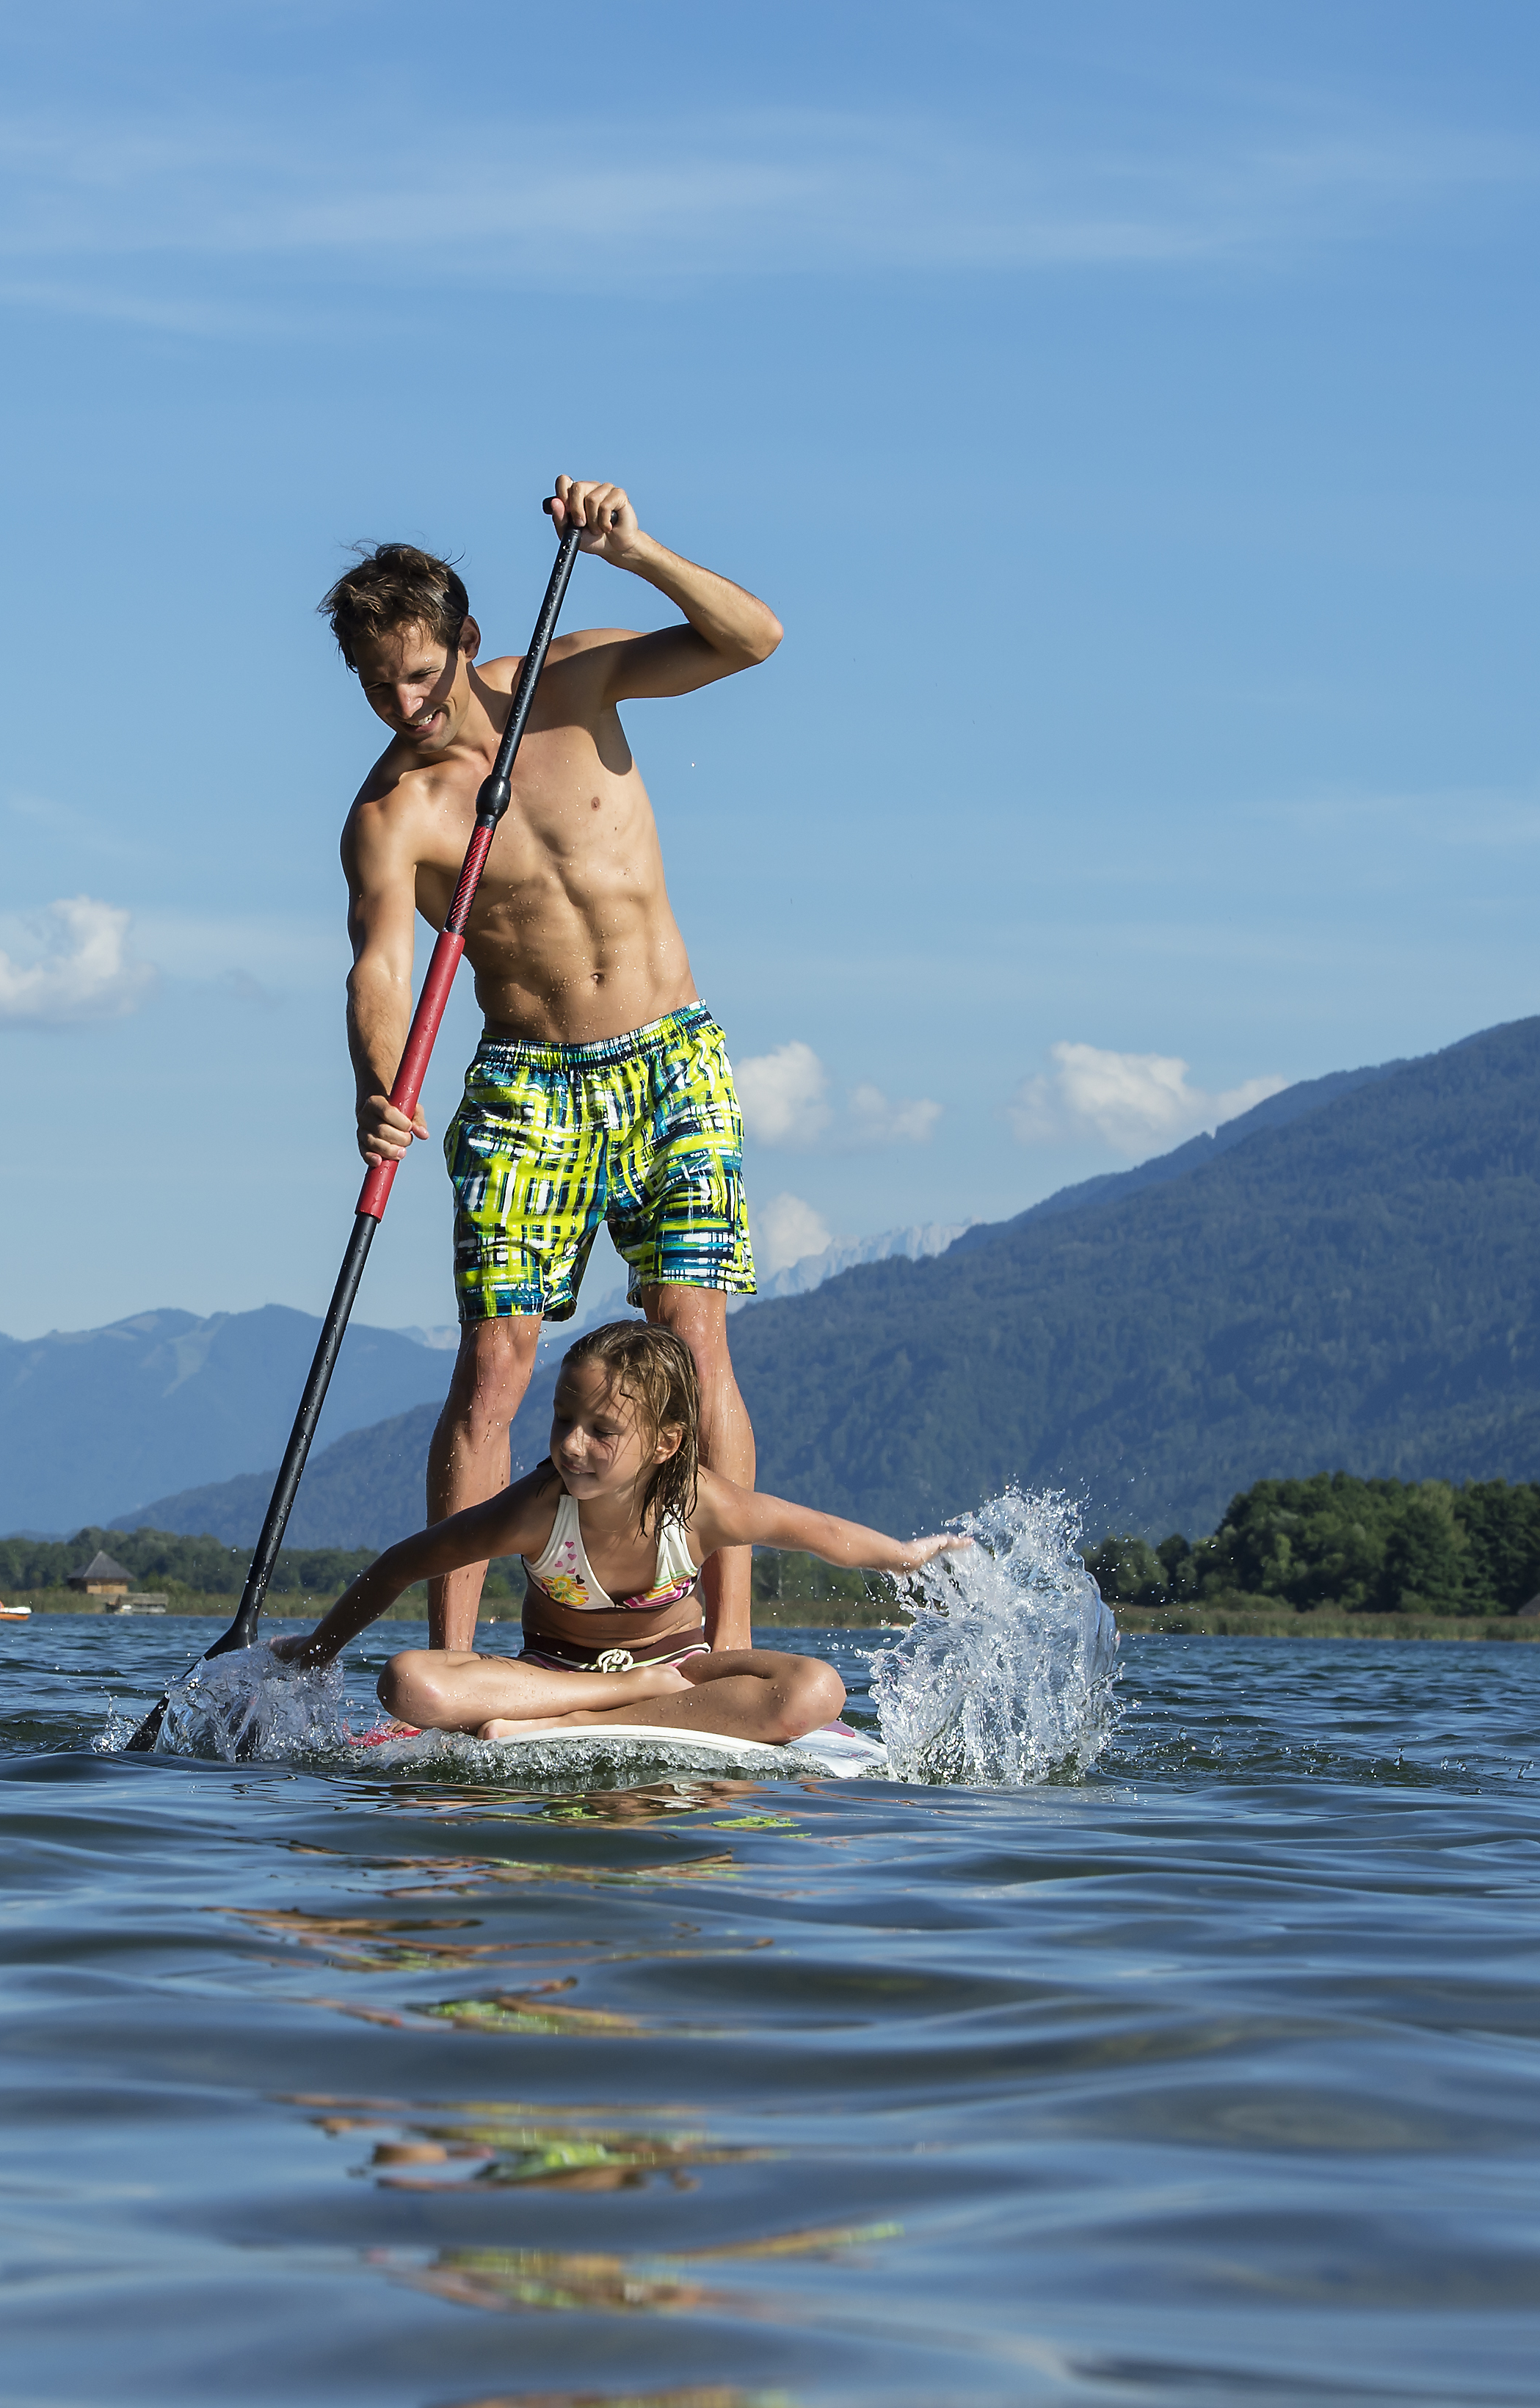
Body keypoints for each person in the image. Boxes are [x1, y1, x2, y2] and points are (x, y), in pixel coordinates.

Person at [329, 476, 784, 1661]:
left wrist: (634, 552)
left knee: (693, 1342)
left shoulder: (576, 681)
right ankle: (456, 1657)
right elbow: (379, 969)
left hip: (670, 1059)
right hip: (528, 1082)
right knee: (494, 1367)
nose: (402, 702)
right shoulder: (393, 813)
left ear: (467, 643)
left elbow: (752, 639)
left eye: (420, 672)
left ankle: (721, 1650)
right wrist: (382, 1089)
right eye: (377, 684)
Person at [277, 1322, 965, 1743]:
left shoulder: (700, 1504)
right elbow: (402, 1563)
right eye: (562, 1420)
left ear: (667, 1444)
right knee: (409, 1684)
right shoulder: (537, 1508)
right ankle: (611, 1703)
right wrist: (319, 1648)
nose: (572, 1446)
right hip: (552, 1677)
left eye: (602, 1431)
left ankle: (587, 1723)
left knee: (817, 1689)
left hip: (680, 1671)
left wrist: (906, 1557)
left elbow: (818, 1533)